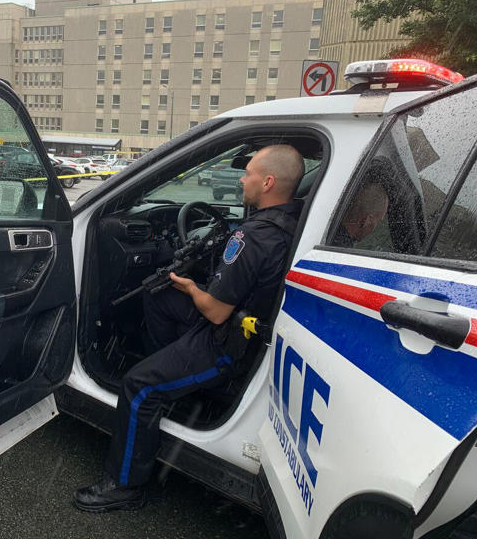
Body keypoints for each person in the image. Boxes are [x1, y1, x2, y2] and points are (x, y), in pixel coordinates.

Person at [73, 144, 305, 513]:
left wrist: (192, 287)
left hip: (226, 342)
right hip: (241, 323)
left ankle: (124, 486)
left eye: (249, 174)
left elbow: (213, 311)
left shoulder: (254, 237)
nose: (242, 179)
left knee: (139, 386)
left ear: (268, 182)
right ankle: (174, 377)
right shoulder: (290, 220)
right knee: (159, 297)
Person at [332, 182, 388, 247]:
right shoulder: (341, 251)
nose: (375, 228)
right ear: (368, 220)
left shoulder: (329, 226)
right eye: (378, 221)